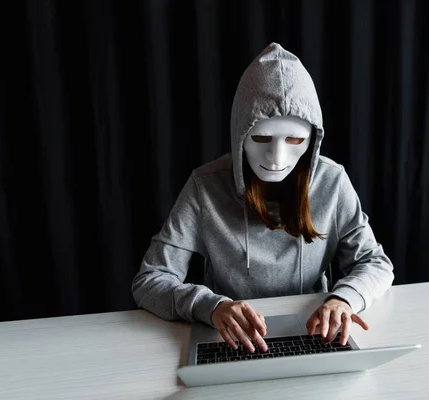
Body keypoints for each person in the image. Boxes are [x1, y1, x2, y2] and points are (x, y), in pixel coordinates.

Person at [131, 42, 394, 355]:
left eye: (295, 139)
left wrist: (344, 298)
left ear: (313, 140)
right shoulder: (205, 186)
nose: (276, 157)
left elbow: (375, 263)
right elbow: (149, 281)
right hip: (231, 335)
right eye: (261, 138)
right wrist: (211, 307)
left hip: (314, 332)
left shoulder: (331, 181)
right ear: (240, 134)